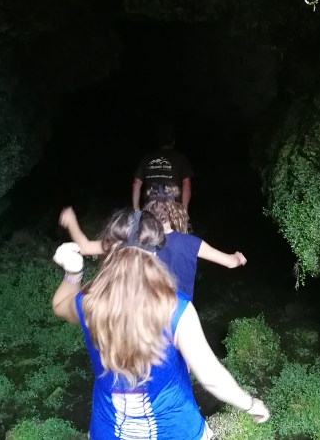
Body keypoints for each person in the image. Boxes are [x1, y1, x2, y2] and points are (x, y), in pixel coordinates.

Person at [50, 209, 270, 439]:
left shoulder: (89, 303)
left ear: (109, 249)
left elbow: (59, 306)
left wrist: (73, 272)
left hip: (108, 431)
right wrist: (251, 404)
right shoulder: (176, 309)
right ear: (156, 253)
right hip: (176, 431)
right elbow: (211, 378)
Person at [59, 195, 246, 299]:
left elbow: (84, 247)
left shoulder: (131, 240)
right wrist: (239, 257)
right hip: (180, 313)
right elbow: (230, 262)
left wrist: (71, 221)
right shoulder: (192, 244)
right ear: (175, 216)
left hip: (144, 311)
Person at [132, 125, 192, 211]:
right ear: (173, 142)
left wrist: (136, 211)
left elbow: (136, 184)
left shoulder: (147, 158)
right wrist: (184, 212)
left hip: (150, 209)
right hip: (173, 210)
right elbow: (187, 186)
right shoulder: (181, 158)